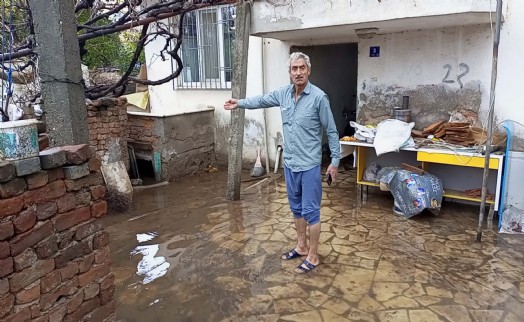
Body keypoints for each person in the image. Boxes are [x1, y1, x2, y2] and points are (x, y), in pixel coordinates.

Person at [224, 52, 340, 273]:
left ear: (309, 70)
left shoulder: (319, 98)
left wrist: (334, 162)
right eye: (294, 69)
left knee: (311, 212)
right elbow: (261, 100)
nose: (298, 72)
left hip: (310, 166)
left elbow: (332, 132)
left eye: (302, 68)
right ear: (289, 72)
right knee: (296, 209)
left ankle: (314, 256)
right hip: (290, 164)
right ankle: (302, 246)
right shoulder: (283, 94)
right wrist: (239, 103)